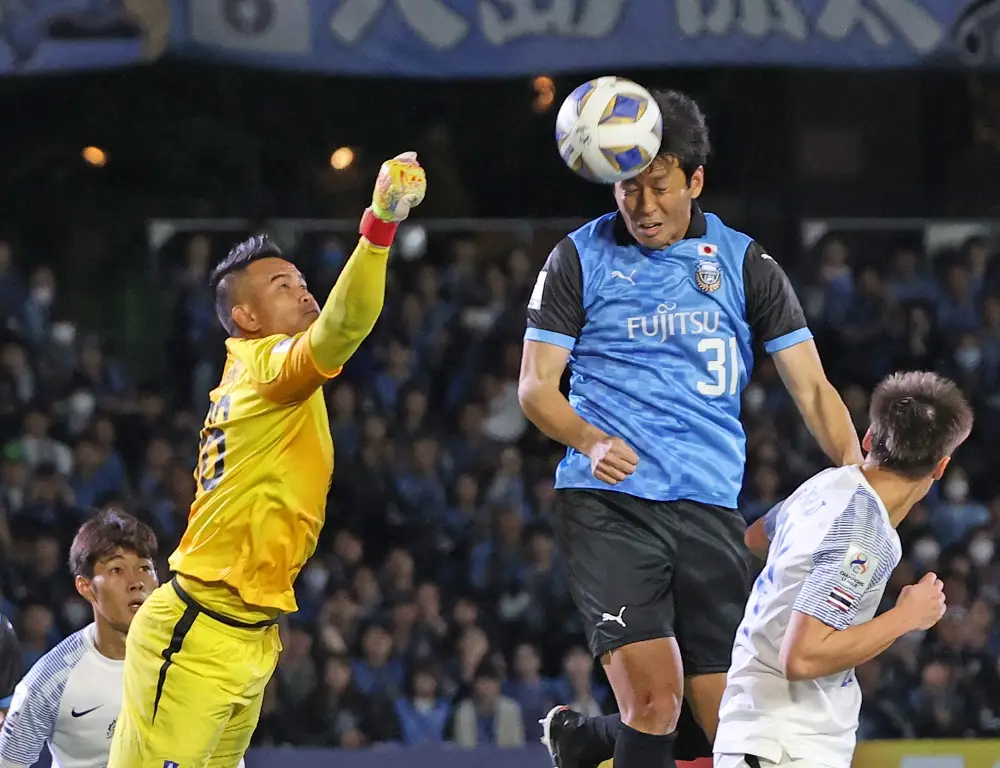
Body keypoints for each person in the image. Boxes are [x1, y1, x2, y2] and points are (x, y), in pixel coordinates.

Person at [518, 88, 864, 768]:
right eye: (627, 188)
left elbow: (813, 389)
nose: (642, 207)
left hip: (708, 510)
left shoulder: (744, 263)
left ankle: (588, 741)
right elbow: (535, 387)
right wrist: (590, 439)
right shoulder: (577, 258)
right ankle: (605, 735)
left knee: (727, 730)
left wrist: (860, 487)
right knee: (655, 702)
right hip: (608, 506)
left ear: (694, 180)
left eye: (659, 188)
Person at [108, 153, 426, 768]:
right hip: (199, 629)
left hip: (249, 635)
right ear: (246, 317)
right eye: (283, 285)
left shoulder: (275, 383)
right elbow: (343, 329)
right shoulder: (264, 367)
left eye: (303, 280)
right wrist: (380, 223)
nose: (304, 289)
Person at [714, 371, 974, 768]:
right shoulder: (863, 535)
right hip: (784, 745)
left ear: (870, 438)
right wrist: (906, 617)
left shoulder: (825, 485)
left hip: (769, 735)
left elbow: (755, 539)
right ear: (940, 467)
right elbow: (800, 658)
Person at [0, 510, 160, 768]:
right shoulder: (52, 679)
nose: (136, 582)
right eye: (117, 569)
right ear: (85, 587)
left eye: (144, 568)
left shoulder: (190, 659)